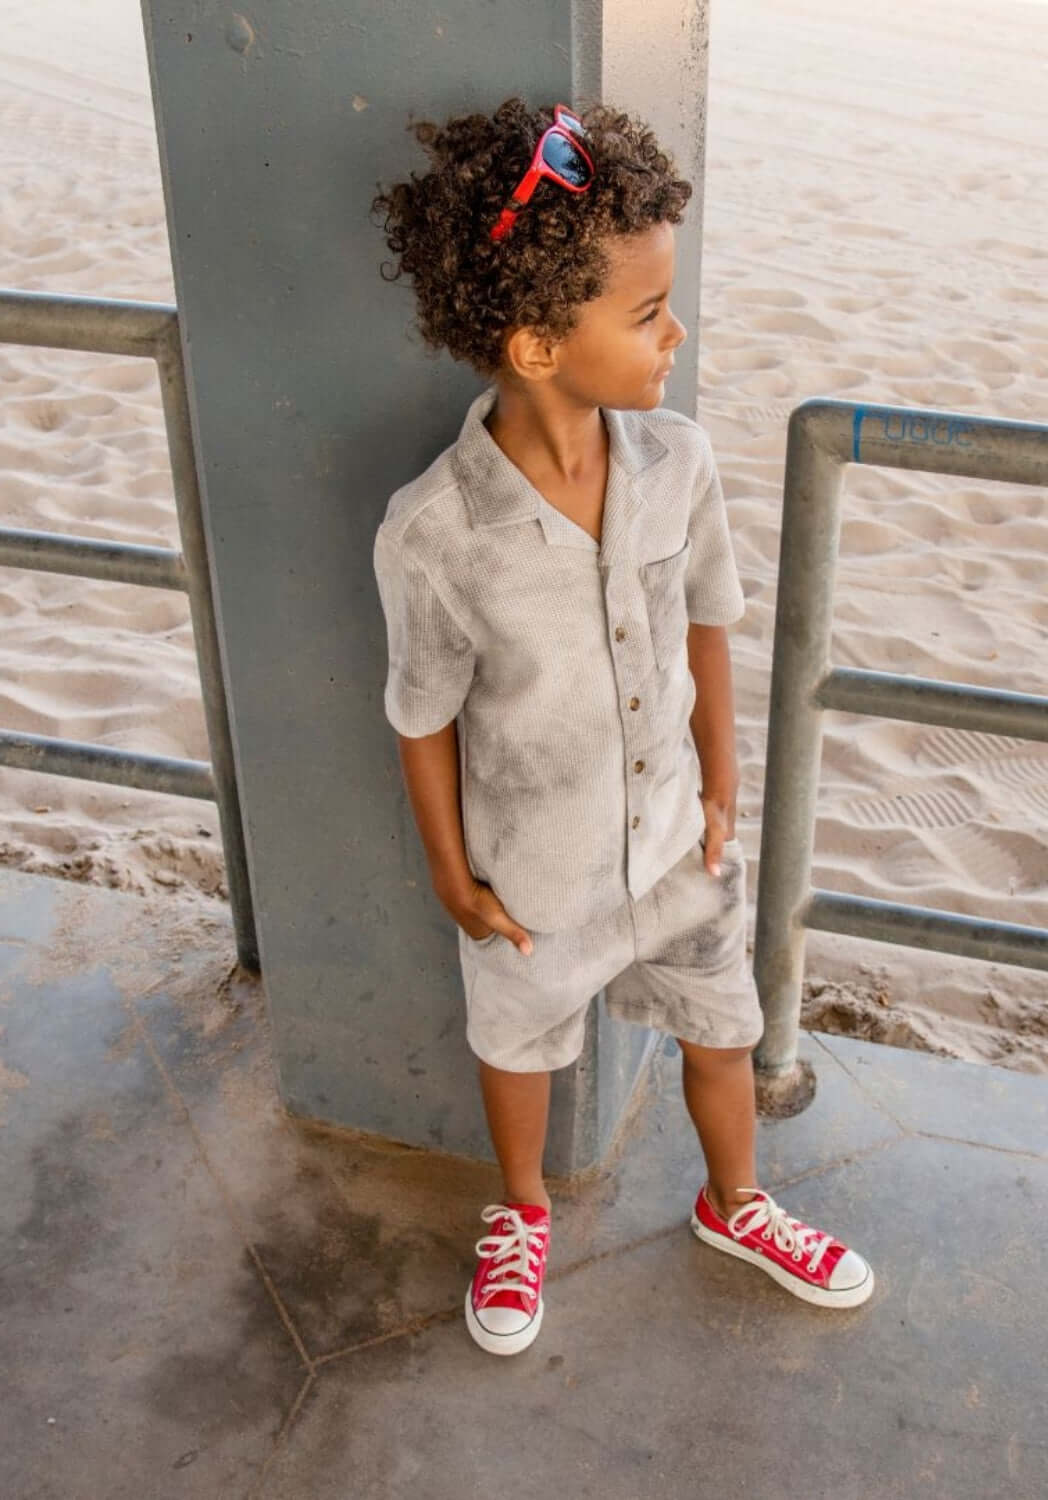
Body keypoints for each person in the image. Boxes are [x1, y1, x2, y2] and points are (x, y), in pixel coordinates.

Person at [370, 98, 873, 1357]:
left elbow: (707, 617)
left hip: (674, 849)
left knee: (725, 1026)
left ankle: (737, 1200)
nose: (676, 333)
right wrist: (450, 874)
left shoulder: (680, 462)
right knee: (520, 1034)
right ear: (540, 345)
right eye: (647, 315)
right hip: (533, 878)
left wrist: (723, 779)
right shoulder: (434, 534)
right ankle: (524, 1209)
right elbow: (422, 712)